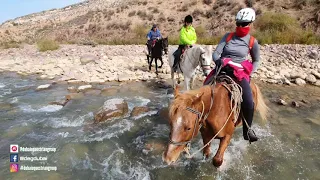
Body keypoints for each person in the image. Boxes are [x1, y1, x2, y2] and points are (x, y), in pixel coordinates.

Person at [208, 8, 260, 143]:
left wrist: (250, 72)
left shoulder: (252, 42)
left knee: (248, 100)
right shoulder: (228, 36)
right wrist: (218, 60)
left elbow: (256, 60)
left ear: (251, 24)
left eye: (244, 24)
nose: (241, 27)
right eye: (238, 24)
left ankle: (247, 130)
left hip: (240, 72)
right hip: (223, 68)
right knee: (204, 89)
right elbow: (216, 53)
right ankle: (199, 120)